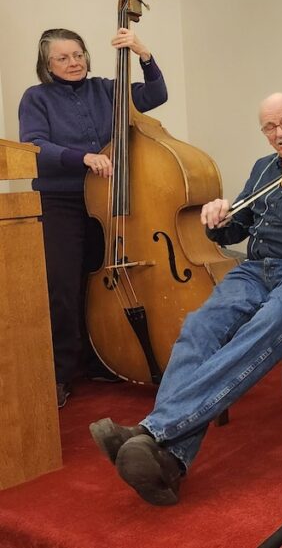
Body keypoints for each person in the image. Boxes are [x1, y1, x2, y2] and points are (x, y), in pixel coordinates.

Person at [88, 93, 282, 506]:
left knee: (263, 326)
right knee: (199, 327)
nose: (280, 133)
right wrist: (216, 216)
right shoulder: (264, 170)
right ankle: (169, 461)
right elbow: (233, 231)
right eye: (269, 127)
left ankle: (153, 431)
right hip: (257, 269)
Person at [19, 27, 168, 408]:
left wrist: (143, 53)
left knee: (103, 281)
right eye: (63, 58)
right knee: (64, 287)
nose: (74, 63)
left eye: (79, 54)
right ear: (46, 64)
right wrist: (81, 157)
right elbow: (36, 145)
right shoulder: (36, 98)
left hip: (104, 201)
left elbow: (155, 95)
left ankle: (102, 359)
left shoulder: (107, 89)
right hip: (62, 201)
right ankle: (61, 373)